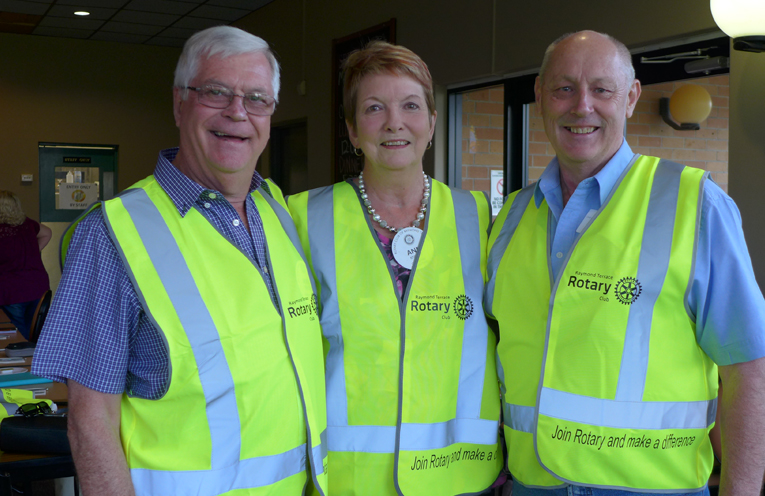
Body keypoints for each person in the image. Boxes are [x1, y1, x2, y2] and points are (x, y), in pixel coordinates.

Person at [32, 26, 328, 496]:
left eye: (257, 98)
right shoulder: (112, 234)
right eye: (216, 92)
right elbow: (90, 421)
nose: (238, 112)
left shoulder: (276, 208)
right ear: (179, 103)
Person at [485, 30, 765, 496]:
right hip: (533, 488)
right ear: (539, 96)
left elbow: (749, 368)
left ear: (631, 98)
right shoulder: (510, 218)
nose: (582, 107)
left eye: (602, 89)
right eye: (564, 88)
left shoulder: (696, 205)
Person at [288, 41, 503, 496]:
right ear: (352, 129)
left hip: (461, 475)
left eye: (410, 105)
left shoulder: (480, 218)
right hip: (349, 480)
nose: (394, 122)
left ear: (432, 122)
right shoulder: (303, 218)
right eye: (373, 108)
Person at [0, 191, 51, 339]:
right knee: (36, 331)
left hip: (11, 291)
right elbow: (47, 233)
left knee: (18, 336)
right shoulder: (28, 223)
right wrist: (34, 251)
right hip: (38, 287)